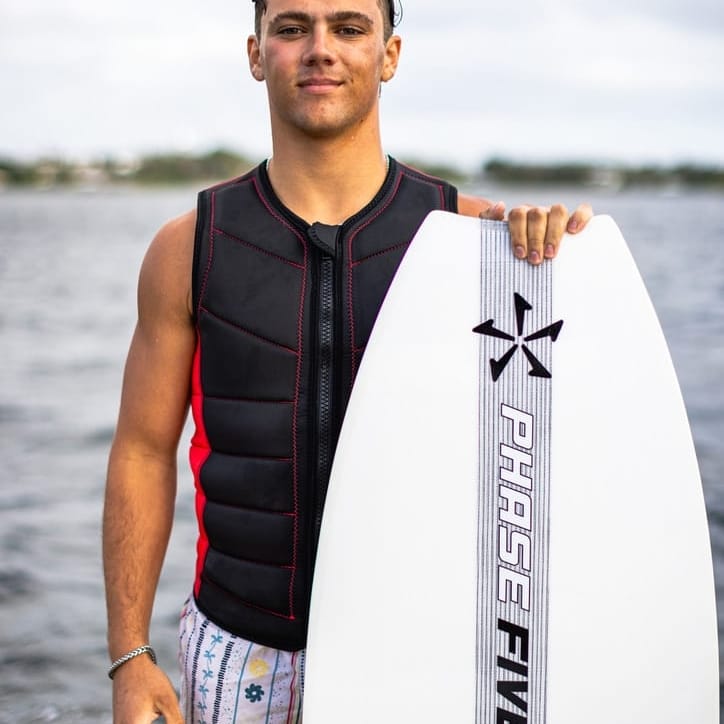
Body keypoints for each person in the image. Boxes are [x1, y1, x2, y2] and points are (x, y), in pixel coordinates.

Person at [102, 0, 593, 721]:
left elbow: (553, 452)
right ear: (255, 53)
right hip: (240, 648)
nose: (321, 48)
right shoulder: (189, 248)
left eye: (351, 27)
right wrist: (129, 656)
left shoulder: (476, 242)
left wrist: (551, 260)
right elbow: (142, 452)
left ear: (389, 55)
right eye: (293, 27)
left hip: (416, 647)